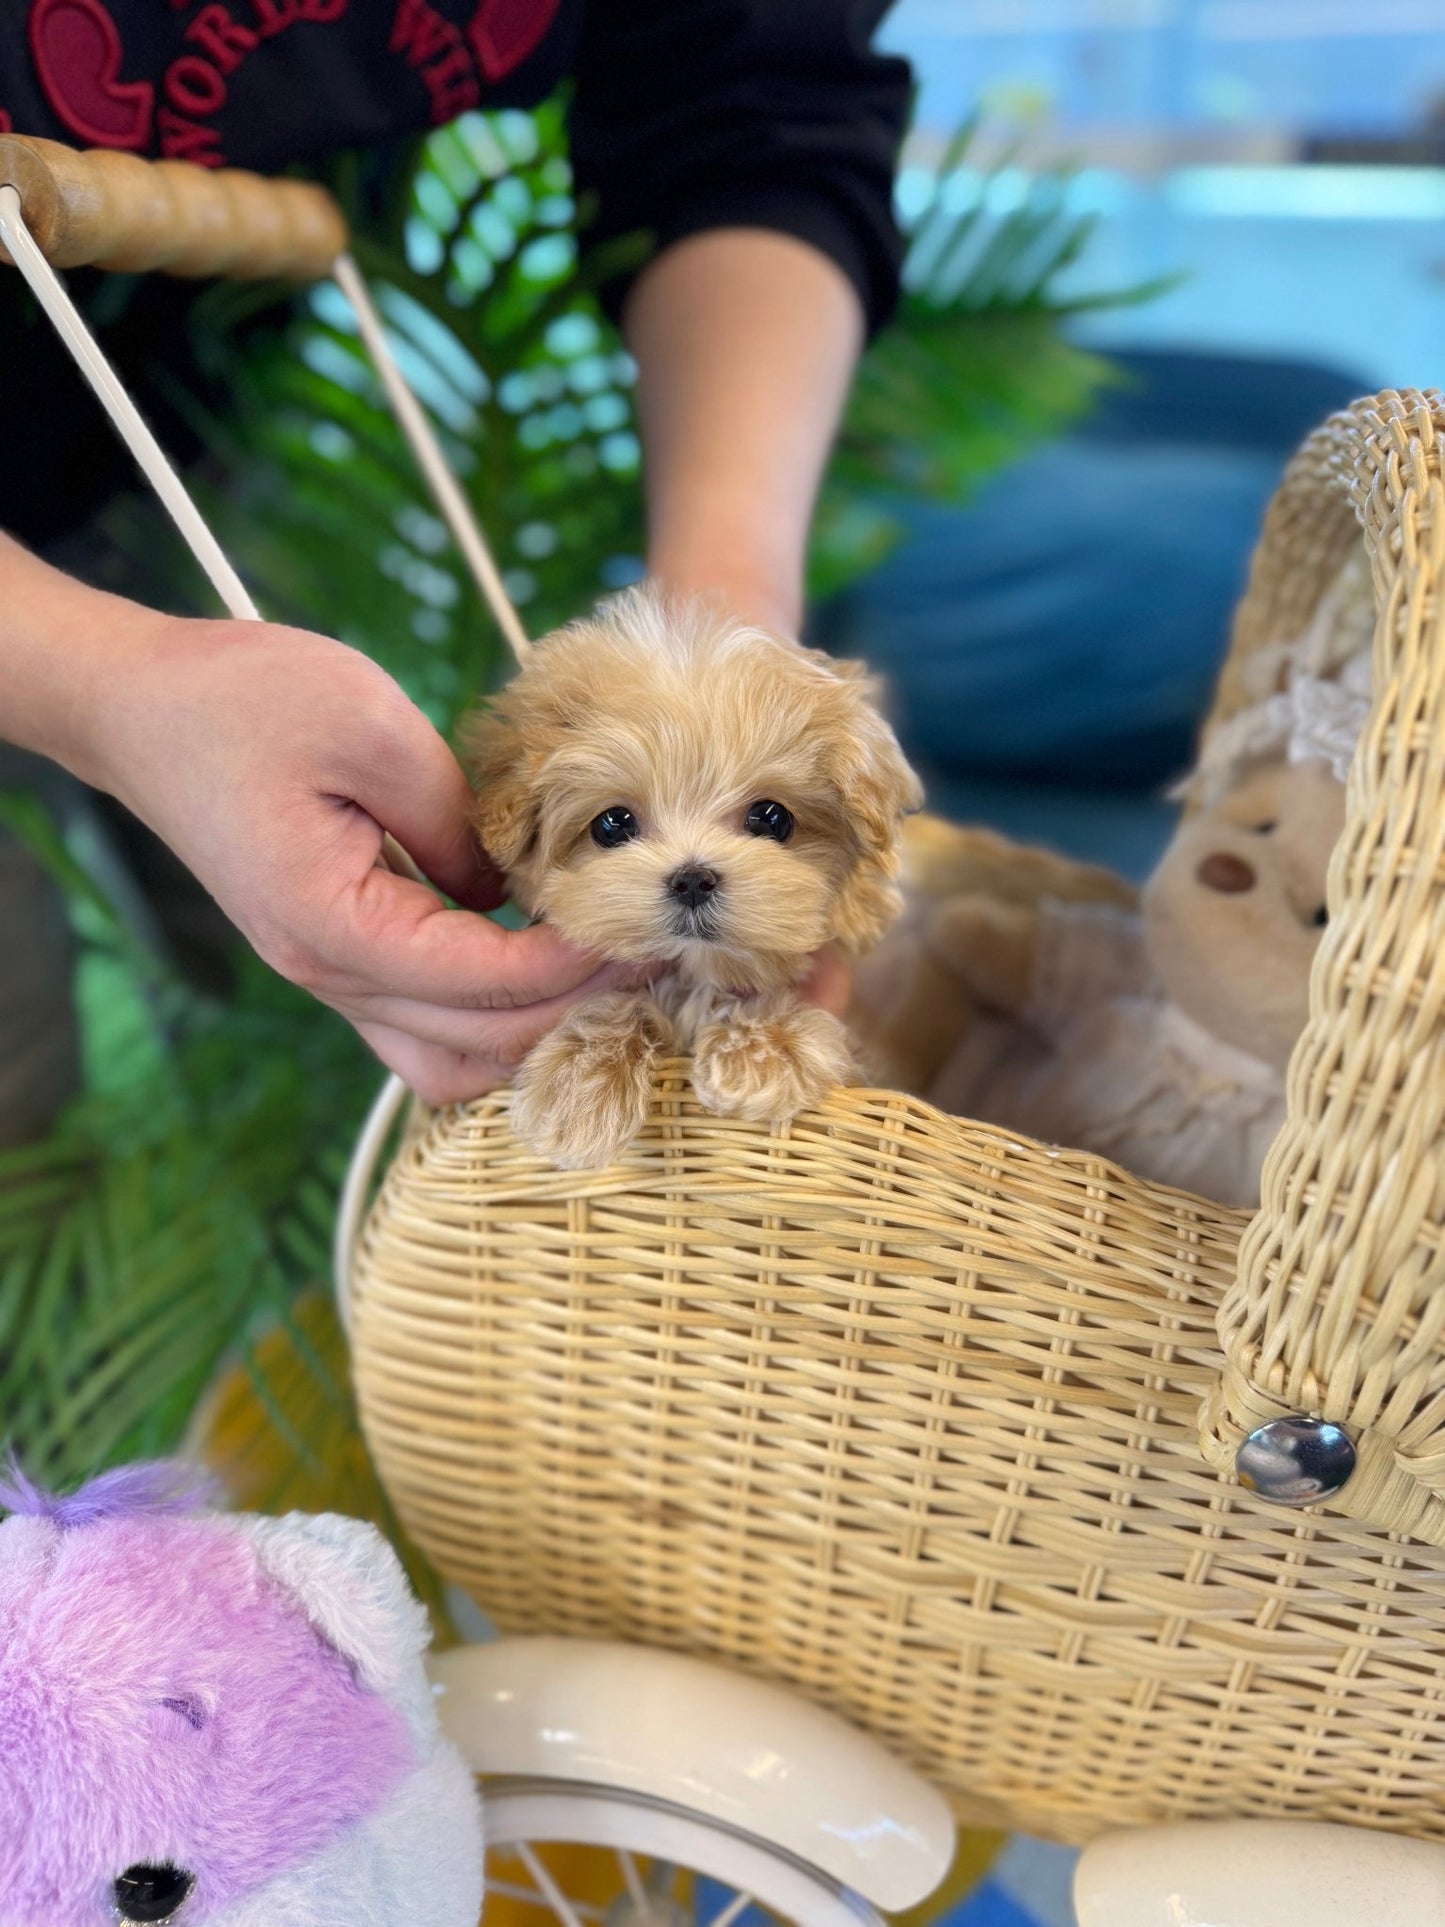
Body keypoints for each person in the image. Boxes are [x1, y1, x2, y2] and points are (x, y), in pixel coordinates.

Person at [0, 1, 907, 1119]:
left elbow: (753, 114)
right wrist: (92, 679)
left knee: (296, 979)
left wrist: (726, 607)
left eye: (761, 821)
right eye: (618, 826)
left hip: (182, 422)